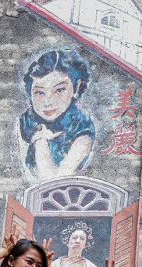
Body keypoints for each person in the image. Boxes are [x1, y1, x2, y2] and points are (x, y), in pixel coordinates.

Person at [19, 49, 95, 181]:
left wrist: (40, 140)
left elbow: (52, 184)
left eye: (59, 90)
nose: (48, 102)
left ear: (76, 88)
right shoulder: (26, 121)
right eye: (39, 93)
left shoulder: (81, 128)